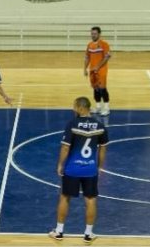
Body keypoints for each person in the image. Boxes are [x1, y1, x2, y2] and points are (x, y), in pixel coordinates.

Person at [49, 97, 109, 244]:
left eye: (74, 107)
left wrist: (60, 165)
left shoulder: (72, 124)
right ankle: (88, 234)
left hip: (72, 169)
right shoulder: (100, 126)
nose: (73, 109)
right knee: (90, 200)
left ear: (81, 108)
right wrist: (99, 167)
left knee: (65, 198)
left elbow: (65, 147)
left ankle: (59, 231)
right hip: (90, 170)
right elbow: (102, 149)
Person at [84, 27, 112, 116]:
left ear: (99, 34)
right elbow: (87, 57)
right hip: (92, 71)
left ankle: (107, 108)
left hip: (102, 70)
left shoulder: (104, 44)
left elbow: (107, 57)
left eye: (95, 34)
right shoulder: (89, 45)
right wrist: (85, 69)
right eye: (92, 33)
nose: (93, 35)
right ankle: (98, 107)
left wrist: (98, 67)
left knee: (103, 88)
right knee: (95, 89)